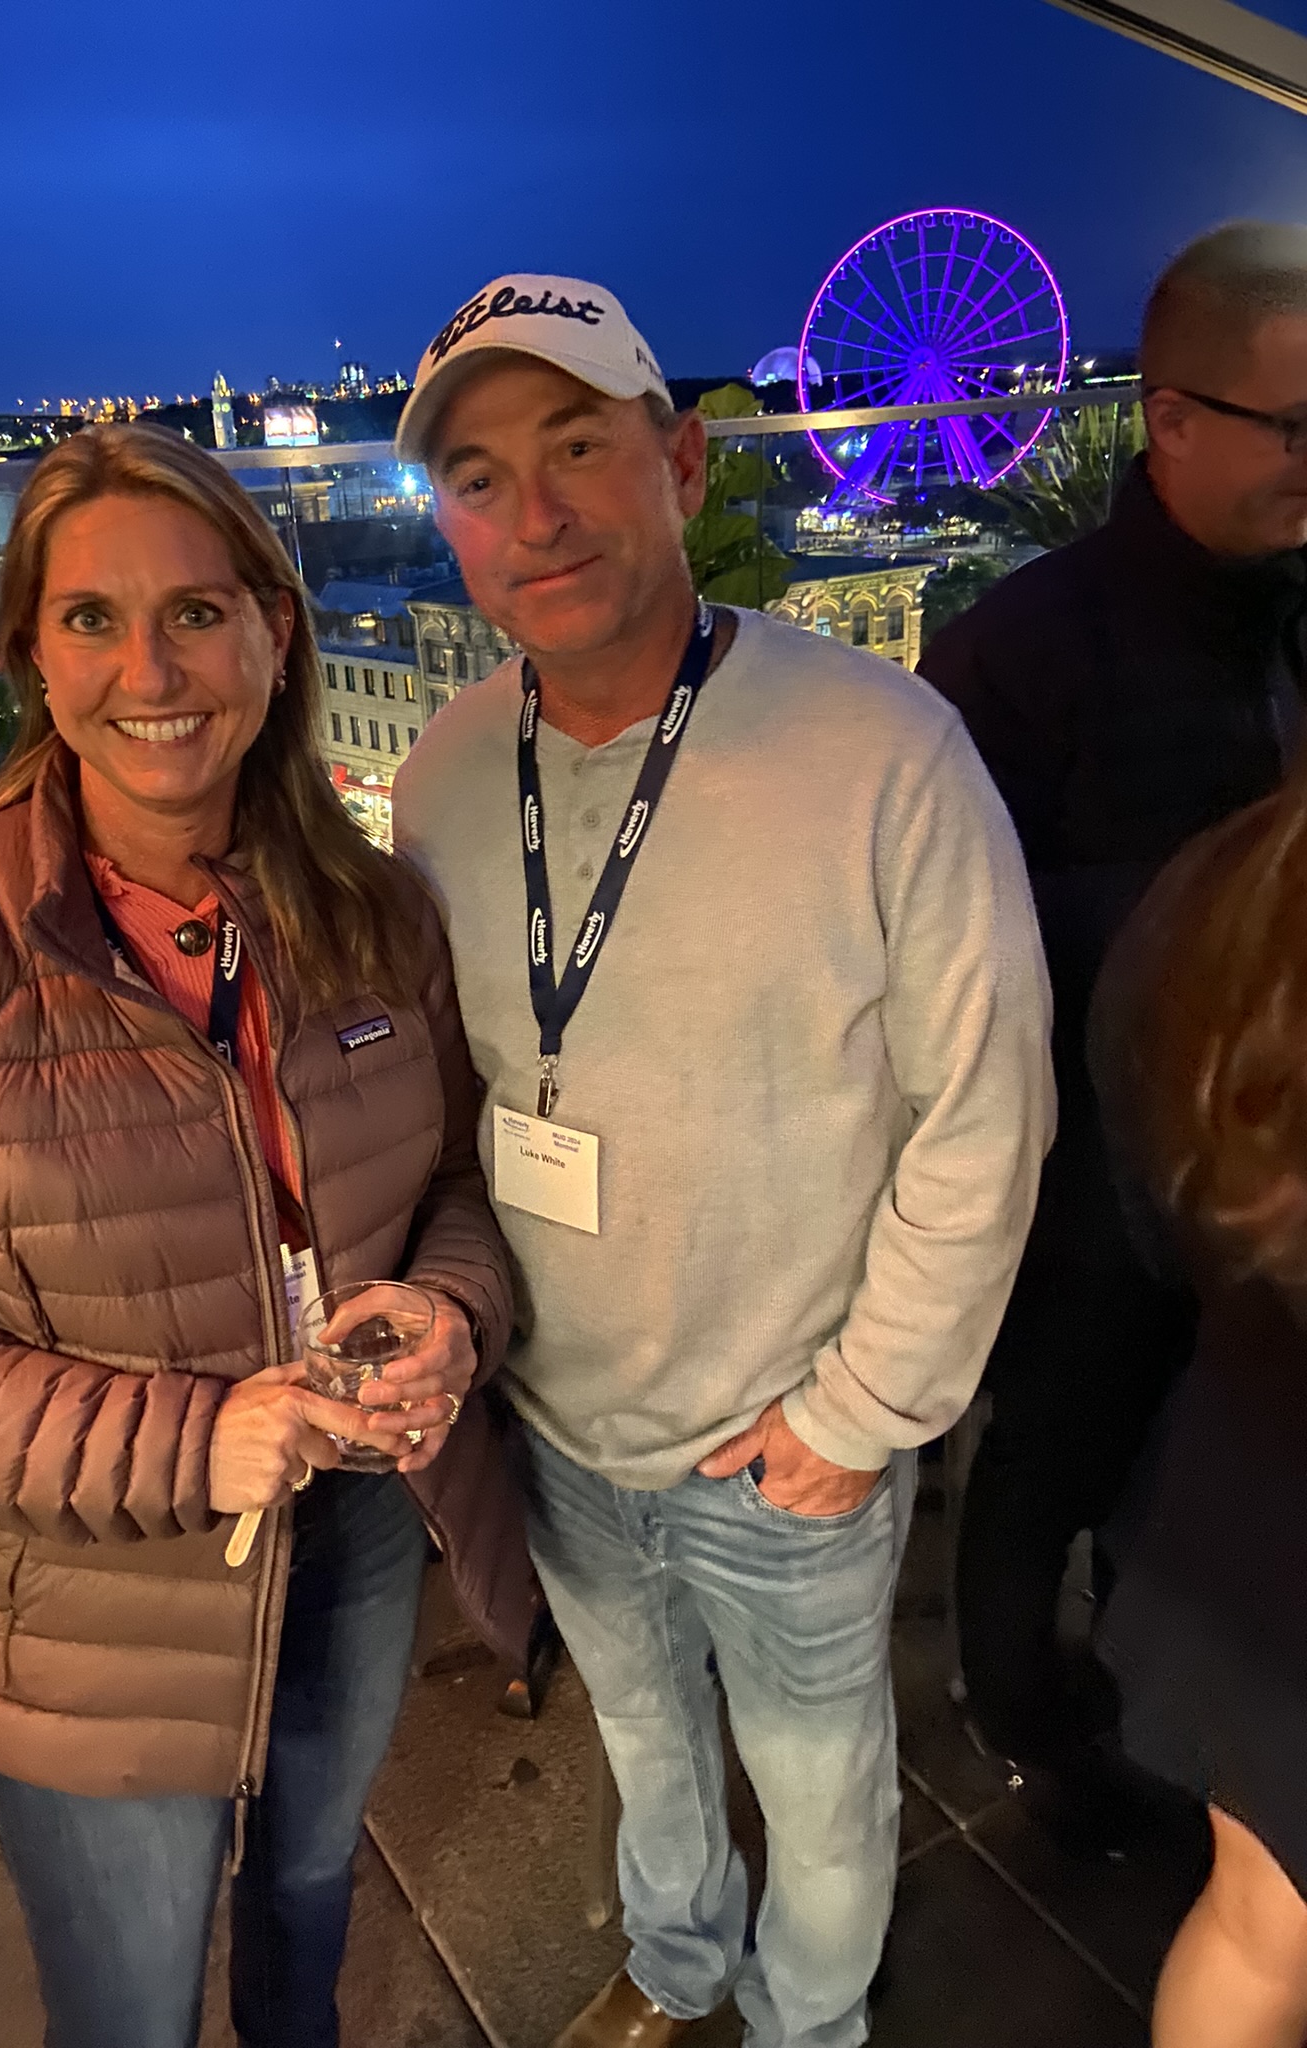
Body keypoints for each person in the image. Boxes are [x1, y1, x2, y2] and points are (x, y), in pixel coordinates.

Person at [0, 423, 537, 2048]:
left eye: (197, 611)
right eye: (92, 618)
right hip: (85, 1609)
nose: (152, 670)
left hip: (356, 1523)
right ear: (32, 655)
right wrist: (195, 1442)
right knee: (128, 2006)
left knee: (309, 1898)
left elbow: (455, 1185)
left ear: (275, 631)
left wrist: (449, 1311)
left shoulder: (373, 911)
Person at [390, 274, 1054, 2048]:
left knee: (822, 1790)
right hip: (558, 1414)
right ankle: (677, 1970)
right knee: (643, 1741)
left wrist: (862, 1411)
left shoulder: (883, 750)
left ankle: (809, 2025)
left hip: (787, 1435)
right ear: (446, 524)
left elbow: (987, 1107)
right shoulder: (445, 773)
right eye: (477, 477)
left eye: (578, 448)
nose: (534, 513)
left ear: (682, 464)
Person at [917, 221, 1307, 1840]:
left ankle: (1180, 1722)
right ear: (1172, 419)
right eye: (1296, 428)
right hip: (1087, 1191)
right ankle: (1034, 1726)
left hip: (1262, 1197)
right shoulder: (1016, 653)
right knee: (1051, 1461)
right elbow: (950, 951)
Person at [1088, 755, 1307, 2048]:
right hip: (1268, 1494)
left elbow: (1161, 1198)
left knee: (1259, 1924)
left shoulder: (1238, 883)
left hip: (1259, 1477)